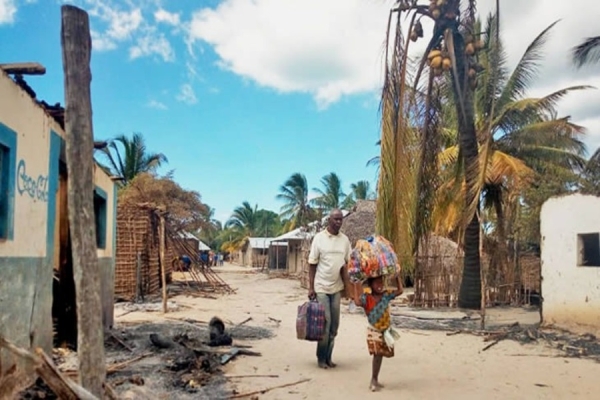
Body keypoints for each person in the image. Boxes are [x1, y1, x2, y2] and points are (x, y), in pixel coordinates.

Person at [308, 209, 352, 369]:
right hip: (321, 287)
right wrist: (310, 287)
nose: (339, 222)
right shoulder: (319, 239)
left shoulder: (345, 241)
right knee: (325, 324)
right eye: (336, 219)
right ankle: (320, 358)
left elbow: (348, 264)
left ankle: (329, 357)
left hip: (337, 288)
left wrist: (349, 288)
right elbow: (312, 264)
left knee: (334, 326)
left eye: (341, 219)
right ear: (329, 220)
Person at [352, 274, 403, 392]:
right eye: (376, 283)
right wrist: (355, 286)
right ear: (370, 285)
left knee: (380, 355)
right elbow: (357, 302)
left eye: (381, 283)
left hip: (385, 330)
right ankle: (373, 380)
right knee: (377, 354)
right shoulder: (367, 298)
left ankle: (375, 378)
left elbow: (400, 290)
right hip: (373, 330)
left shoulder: (386, 296)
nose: (379, 285)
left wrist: (397, 277)